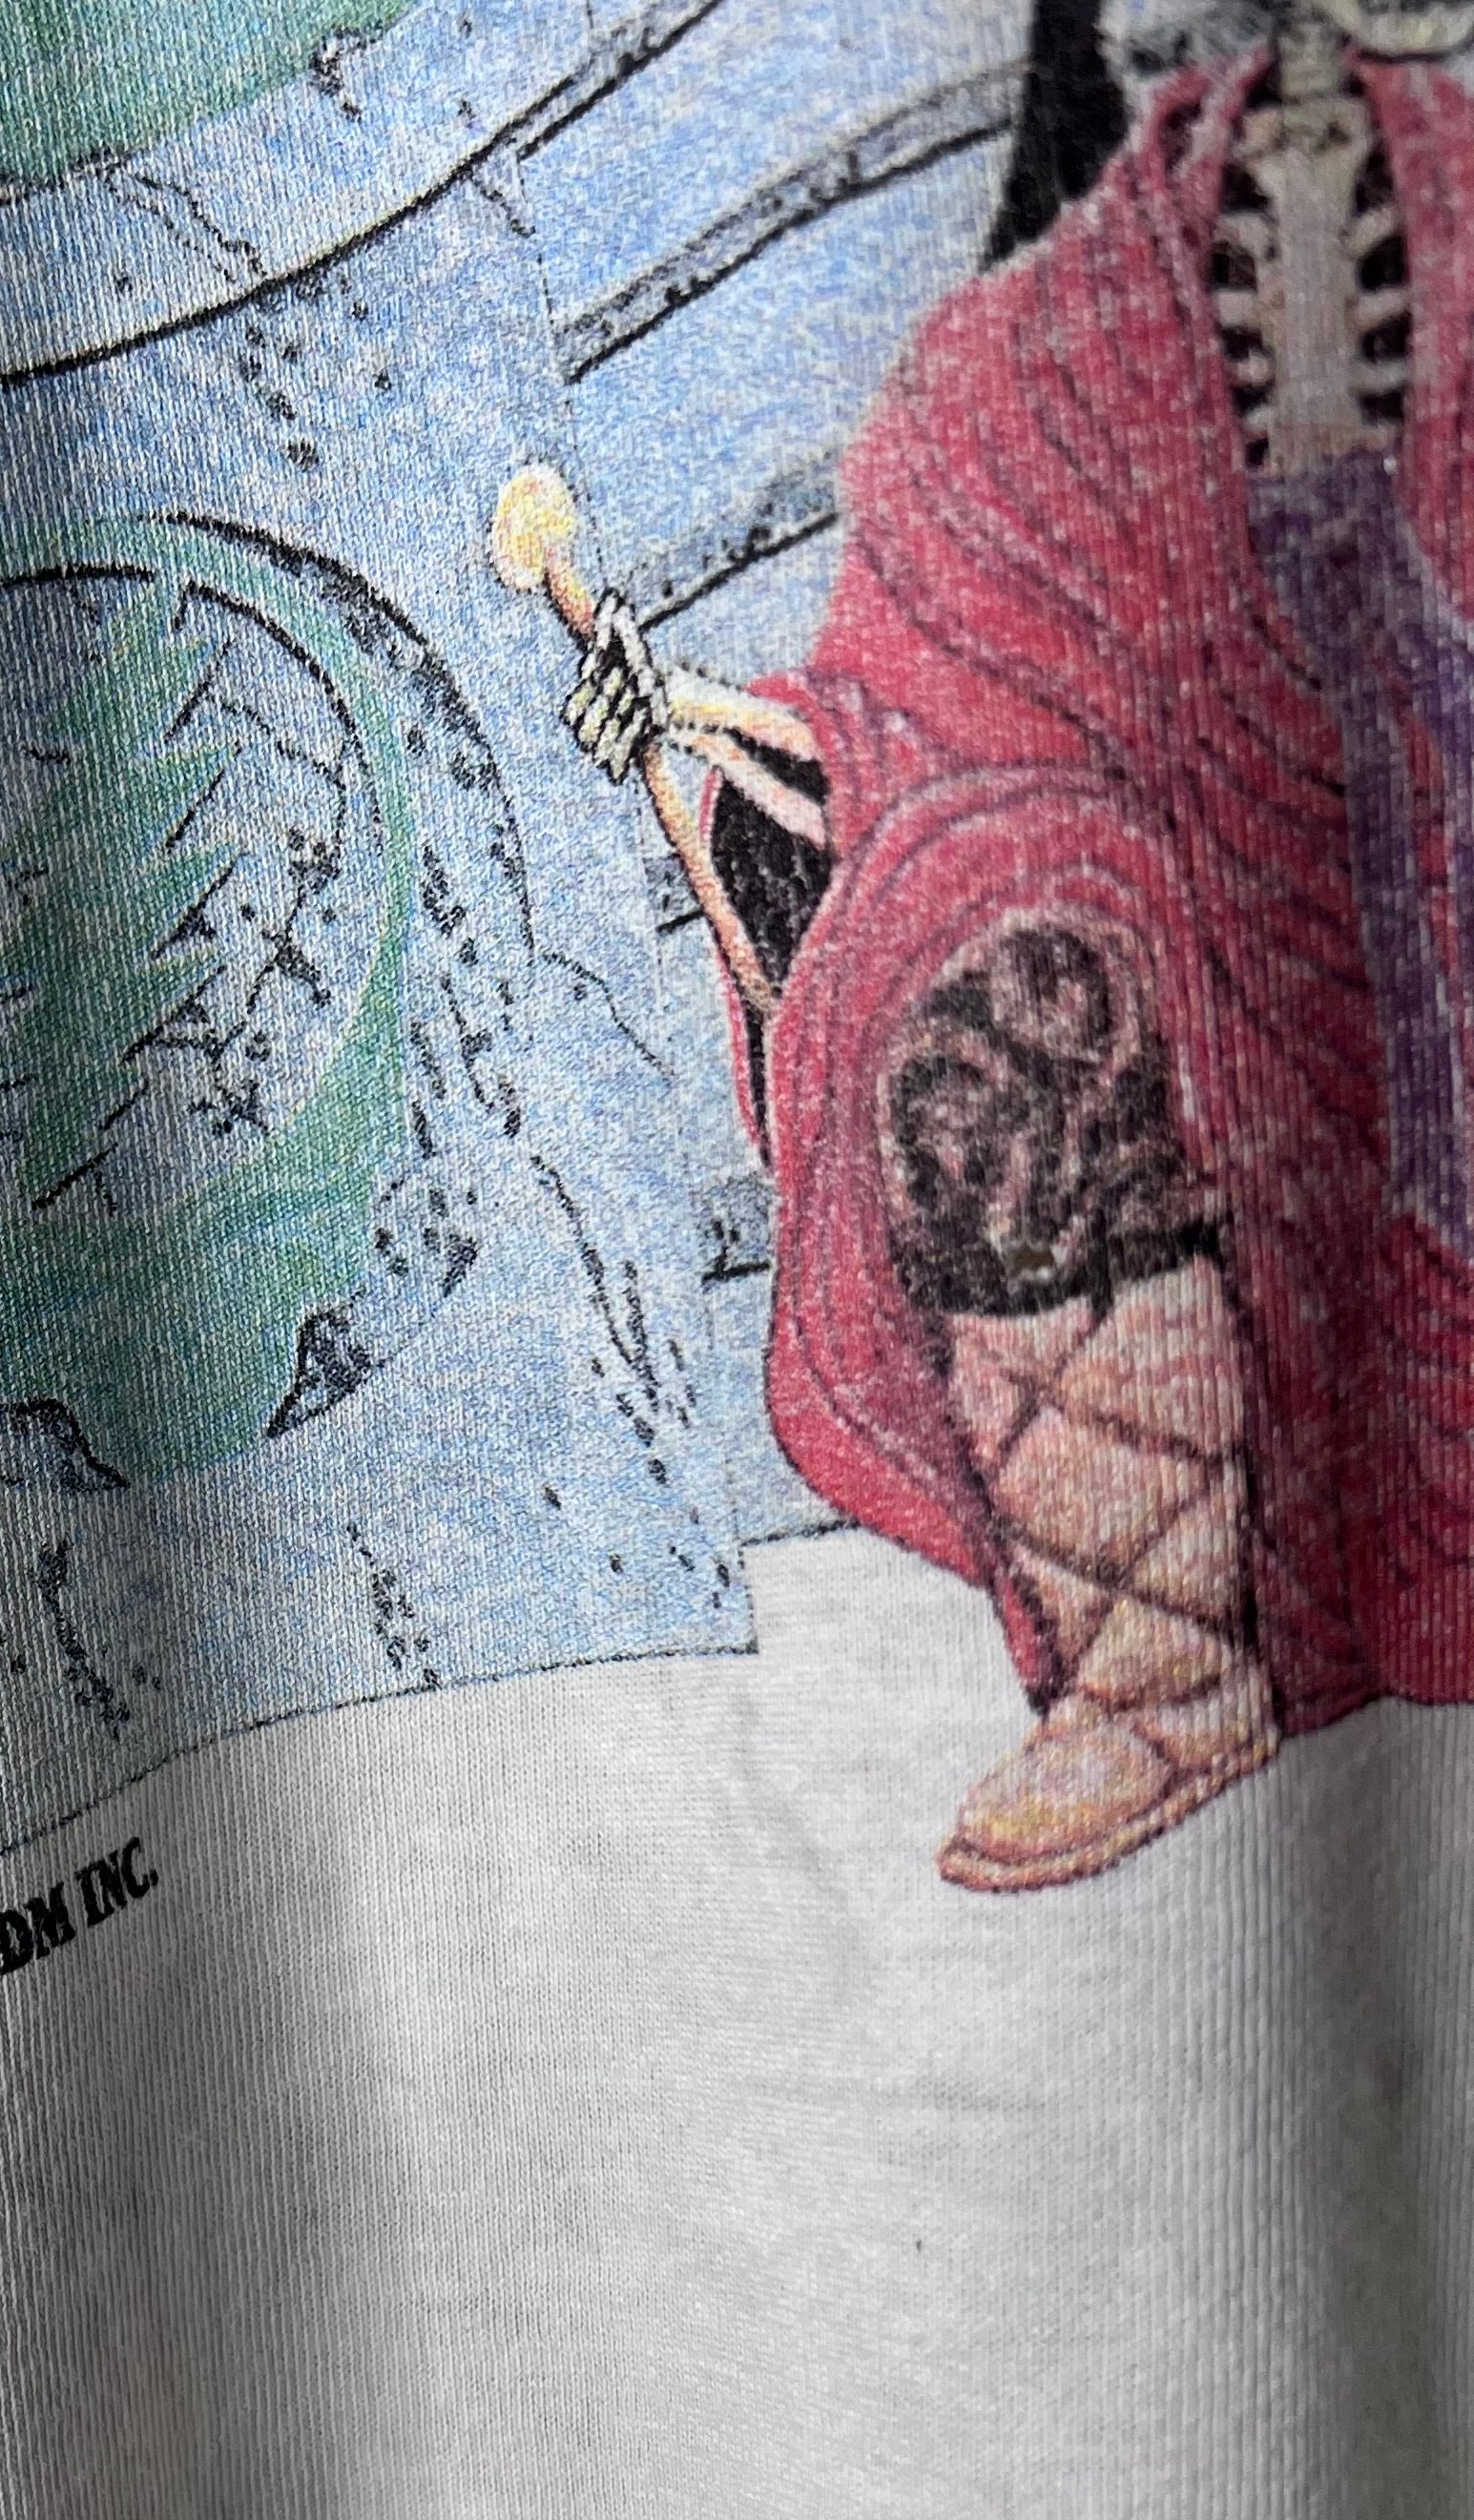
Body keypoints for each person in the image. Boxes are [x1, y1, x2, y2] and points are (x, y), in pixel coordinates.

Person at [543, 0, 1474, 1890]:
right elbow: (928, 712)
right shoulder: (1029, 368)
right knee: (1002, 1021)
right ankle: (1164, 1663)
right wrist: (734, 746)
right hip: (1214, 961)